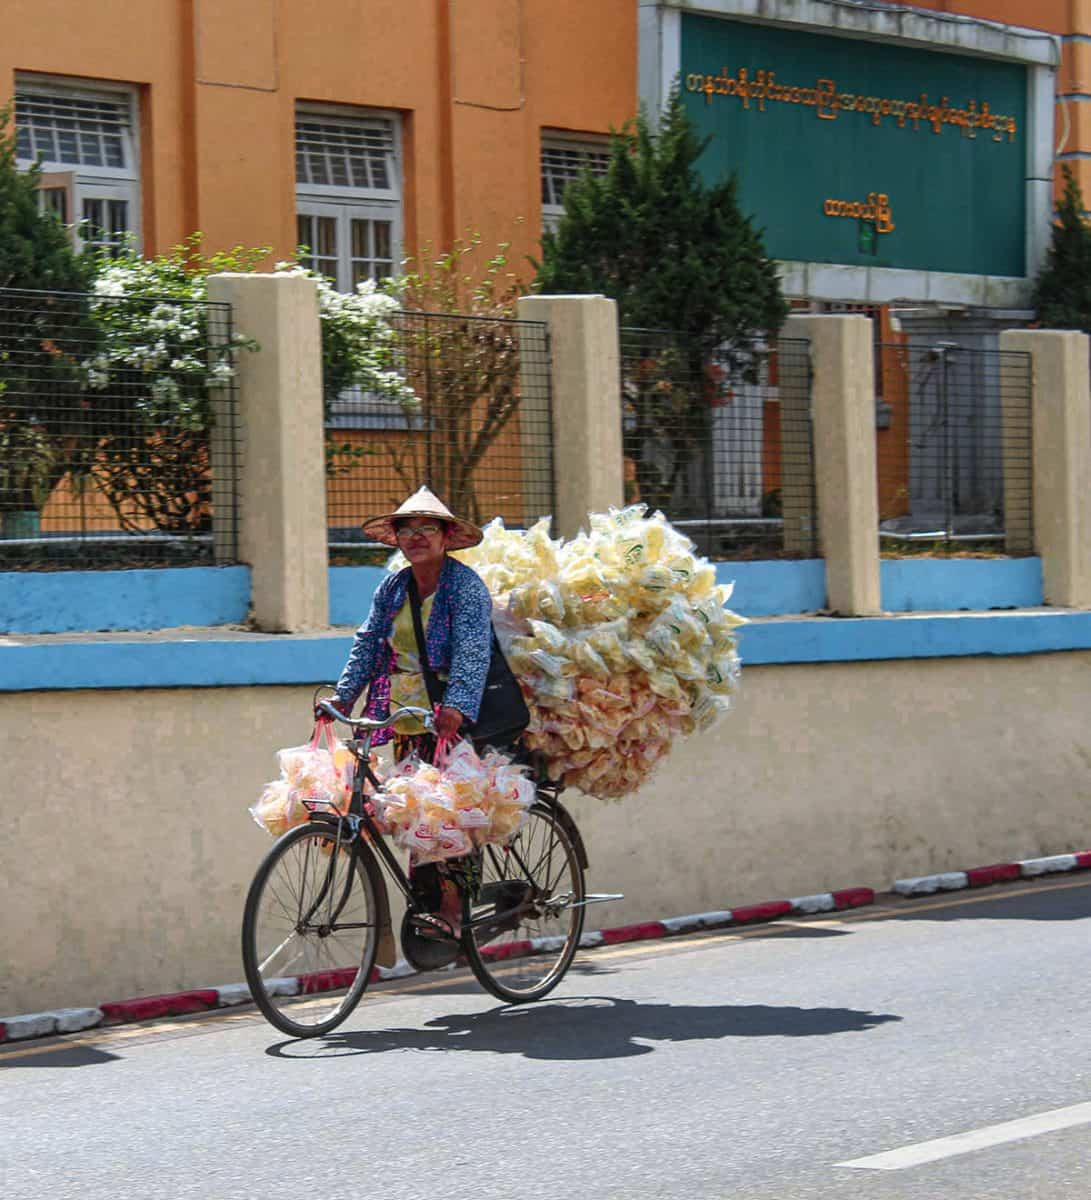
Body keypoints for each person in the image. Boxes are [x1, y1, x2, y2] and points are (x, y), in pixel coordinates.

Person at [328, 486, 494, 938]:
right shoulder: (394, 587)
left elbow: (473, 649)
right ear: (397, 539)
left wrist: (457, 706)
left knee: (447, 814)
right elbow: (369, 641)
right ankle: (428, 903)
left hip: (449, 716)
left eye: (427, 529)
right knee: (414, 810)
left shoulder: (465, 587)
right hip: (403, 711)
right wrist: (344, 696)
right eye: (408, 530)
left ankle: (454, 910)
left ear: (445, 537)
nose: (417, 537)